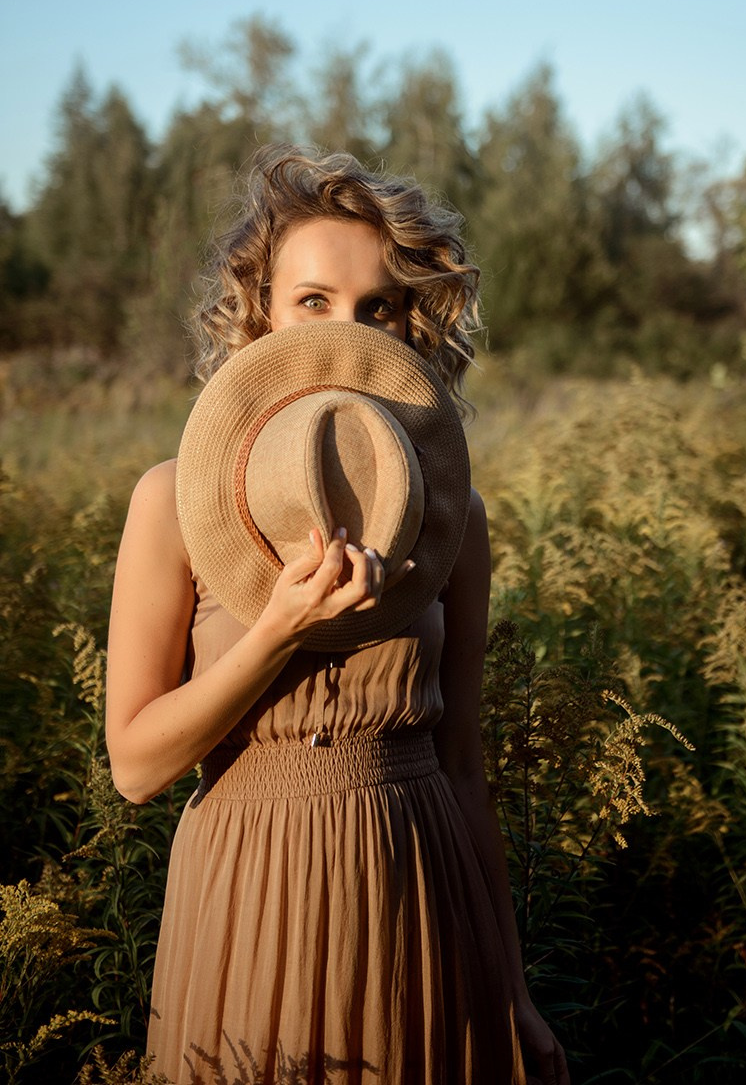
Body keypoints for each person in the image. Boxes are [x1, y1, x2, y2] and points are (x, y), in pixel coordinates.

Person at [105, 147, 570, 1085]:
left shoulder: (450, 514)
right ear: (259, 311)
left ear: (413, 324)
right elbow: (138, 766)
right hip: (245, 892)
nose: (344, 329)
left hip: (419, 892)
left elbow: (464, 762)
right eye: (312, 300)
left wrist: (514, 991)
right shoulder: (172, 502)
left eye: (378, 306)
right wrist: (276, 628)